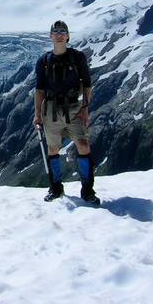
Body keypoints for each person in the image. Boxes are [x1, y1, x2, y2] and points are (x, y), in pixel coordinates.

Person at [32, 20, 100, 204]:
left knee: (83, 145)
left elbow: (87, 83)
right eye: (56, 32)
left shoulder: (78, 58)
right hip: (51, 110)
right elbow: (39, 90)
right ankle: (55, 187)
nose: (59, 34)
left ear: (68, 36)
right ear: (51, 37)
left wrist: (84, 107)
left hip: (74, 108)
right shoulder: (44, 62)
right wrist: (37, 114)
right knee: (53, 148)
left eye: (63, 31)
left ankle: (87, 189)